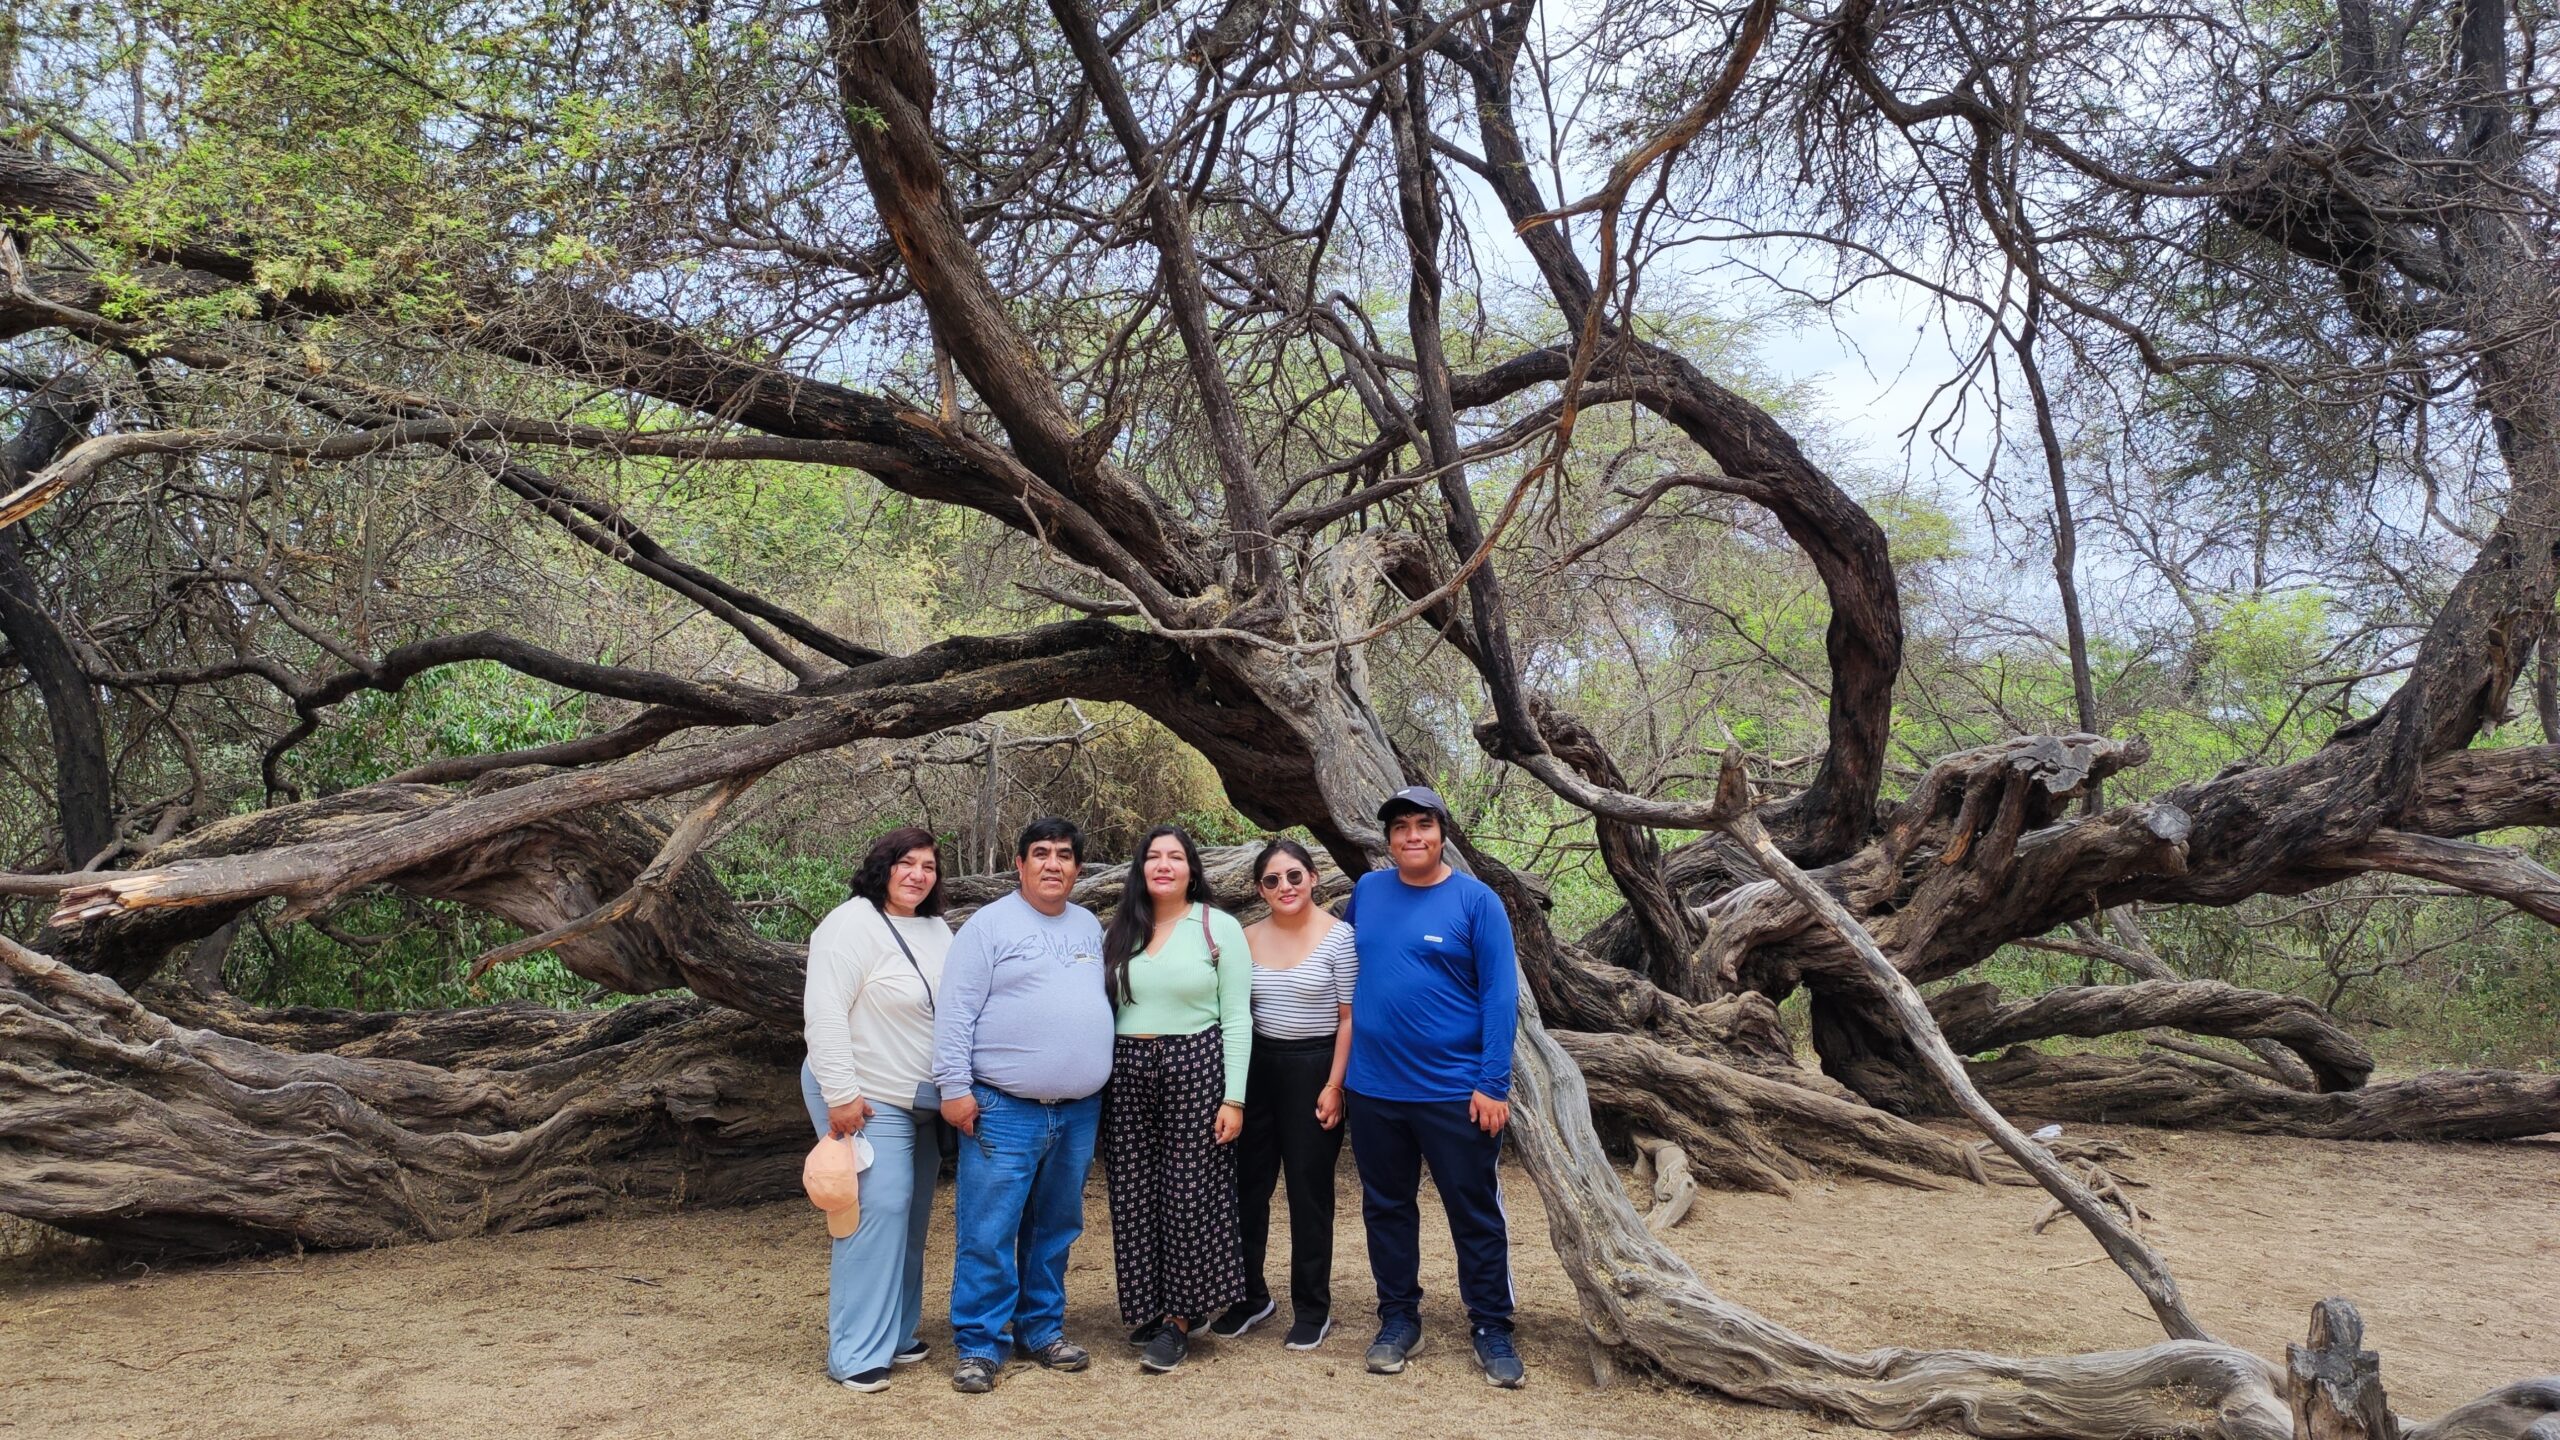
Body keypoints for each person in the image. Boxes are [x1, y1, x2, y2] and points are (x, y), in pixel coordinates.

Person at [1342, 785, 1527, 1389]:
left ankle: (1491, 1325)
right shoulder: (1367, 893)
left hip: (1456, 1091)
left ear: (1442, 832)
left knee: (1473, 1211)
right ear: (1388, 838)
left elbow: (1501, 998)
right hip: (1375, 1091)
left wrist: (1492, 1084)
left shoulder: (1477, 902)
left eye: (1423, 824)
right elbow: (1347, 973)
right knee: (1387, 1209)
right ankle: (1398, 1320)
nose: (1412, 836)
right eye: (1400, 827)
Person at [932, 816, 1116, 1395]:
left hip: (1078, 1110)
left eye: (1064, 855)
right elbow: (955, 1014)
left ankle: (1041, 1329)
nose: (1053, 864)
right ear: (1020, 864)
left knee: (1056, 1227)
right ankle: (980, 1345)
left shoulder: (1089, 926)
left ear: (1078, 869)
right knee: (989, 1229)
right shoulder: (988, 927)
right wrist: (954, 1089)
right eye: (1041, 853)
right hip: (1001, 1108)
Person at [798, 826, 952, 1393]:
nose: (916, 874)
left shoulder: (937, 929)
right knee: (874, 1211)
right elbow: (825, 1014)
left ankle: (897, 1332)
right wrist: (840, 1096)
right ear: (881, 866)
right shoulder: (849, 924)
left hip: (923, 1102)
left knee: (909, 1216)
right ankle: (856, 1352)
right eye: (905, 863)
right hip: (865, 1097)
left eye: (928, 867)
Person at [1099, 824, 1254, 1373]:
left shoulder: (1219, 927)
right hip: (1128, 1070)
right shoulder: (1121, 929)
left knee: (1189, 1191)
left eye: (1176, 857)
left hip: (1196, 1064)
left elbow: (1237, 1017)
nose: (1164, 865)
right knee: (1134, 1190)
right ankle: (1146, 1306)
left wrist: (1233, 1098)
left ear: (1192, 868)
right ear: (1140, 868)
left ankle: (1181, 1318)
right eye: (1153, 857)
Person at [1213, 836, 1357, 1352]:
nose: (1285, 886)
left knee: (1308, 1191)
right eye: (1272, 880)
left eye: (1294, 876)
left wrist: (1334, 1085)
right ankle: (1250, 1297)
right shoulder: (1243, 937)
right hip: (1256, 1070)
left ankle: (1312, 1307)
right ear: (1260, 888)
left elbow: (1348, 1019)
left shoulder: (1341, 938)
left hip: (1315, 1068)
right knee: (1246, 1189)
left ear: (1313, 878)